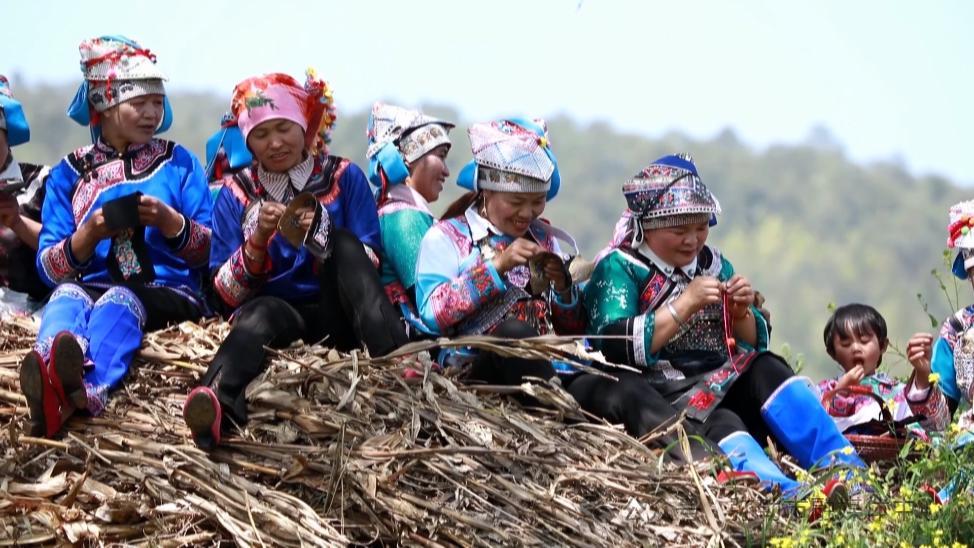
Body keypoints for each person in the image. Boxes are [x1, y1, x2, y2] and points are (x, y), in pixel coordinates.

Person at [583, 153, 864, 497]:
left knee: (767, 367)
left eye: (700, 227)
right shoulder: (620, 267)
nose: (692, 240)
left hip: (724, 380)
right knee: (722, 424)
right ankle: (785, 494)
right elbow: (611, 342)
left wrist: (741, 311)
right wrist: (685, 304)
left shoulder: (713, 264)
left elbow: (754, 341)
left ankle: (846, 469)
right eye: (679, 230)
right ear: (647, 226)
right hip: (668, 395)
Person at [183, 71, 408, 449]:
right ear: (247, 141)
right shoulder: (235, 193)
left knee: (348, 244)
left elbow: (369, 261)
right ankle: (216, 401)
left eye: (284, 129)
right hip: (280, 315)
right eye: (260, 134)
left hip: (340, 314)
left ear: (304, 125)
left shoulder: (343, 176)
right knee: (259, 314)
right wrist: (256, 241)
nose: (274, 143)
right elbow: (224, 294)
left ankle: (395, 359)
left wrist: (322, 230)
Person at [19, 36, 212, 438]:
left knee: (120, 299)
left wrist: (169, 222)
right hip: (91, 281)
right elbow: (49, 266)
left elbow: (209, 250)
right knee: (65, 296)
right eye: (138, 103)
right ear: (104, 105)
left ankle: (90, 388)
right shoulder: (69, 172)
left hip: (166, 287)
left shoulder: (179, 163)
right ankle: (49, 369)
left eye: (157, 102)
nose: (151, 113)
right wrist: (87, 235)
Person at [415, 118, 586, 384]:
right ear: (486, 193)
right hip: (477, 372)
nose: (528, 213)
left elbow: (573, 329)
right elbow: (433, 314)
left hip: (551, 365)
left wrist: (564, 288)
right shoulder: (446, 237)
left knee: (623, 390)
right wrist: (497, 266)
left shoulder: (544, 239)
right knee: (513, 333)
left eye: (537, 202)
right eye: (517, 202)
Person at [367, 103, 453, 341]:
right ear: (409, 159)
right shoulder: (402, 217)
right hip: (415, 339)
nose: (446, 171)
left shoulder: (403, 210)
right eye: (441, 157)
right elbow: (431, 299)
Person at [818, 303, 948, 438]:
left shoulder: (898, 392)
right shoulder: (824, 390)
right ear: (833, 353)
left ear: (883, 346)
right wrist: (842, 391)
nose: (855, 348)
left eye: (864, 341)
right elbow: (820, 428)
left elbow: (935, 425)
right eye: (846, 344)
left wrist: (922, 374)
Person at [0, 75, 50, 302]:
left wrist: (17, 222)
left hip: (33, 314)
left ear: (7, 137)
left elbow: (73, 251)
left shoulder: (41, 182)